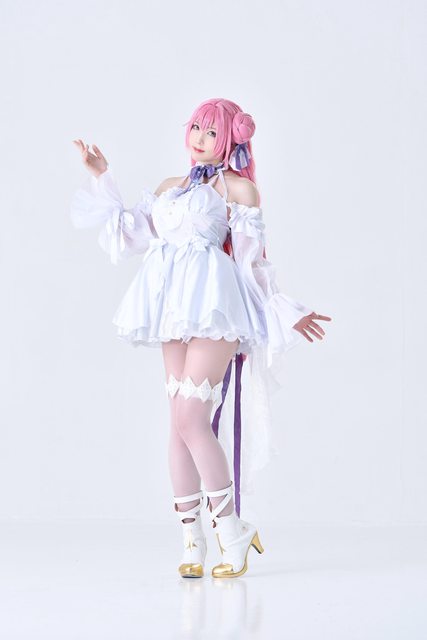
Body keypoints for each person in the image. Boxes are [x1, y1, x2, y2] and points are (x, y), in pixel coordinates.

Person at [70, 97, 331, 579]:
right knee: (178, 423)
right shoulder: (169, 188)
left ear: (230, 140)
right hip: (171, 306)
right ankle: (193, 540)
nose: (200, 139)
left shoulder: (239, 190)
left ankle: (232, 532)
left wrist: (284, 310)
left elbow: (253, 262)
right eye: (196, 128)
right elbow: (132, 234)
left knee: (191, 417)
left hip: (216, 306)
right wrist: (102, 175)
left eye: (212, 132)